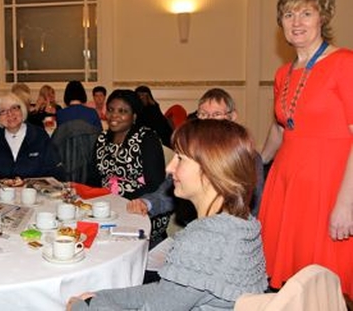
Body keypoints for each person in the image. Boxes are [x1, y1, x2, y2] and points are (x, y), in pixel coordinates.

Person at [67, 119, 268, 311]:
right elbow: (168, 293)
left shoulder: (202, 243)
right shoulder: (243, 225)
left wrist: (82, 307)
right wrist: (102, 297)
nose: (169, 168)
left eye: (180, 159)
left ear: (211, 170)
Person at [259, 0, 353, 300]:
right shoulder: (282, 73)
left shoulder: (345, 64)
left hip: (329, 188)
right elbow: (281, 128)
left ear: (322, 18)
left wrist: (346, 203)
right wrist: (255, 164)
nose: (296, 22)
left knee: (327, 288)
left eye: (306, 13)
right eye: (288, 14)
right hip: (287, 185)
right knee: (292, 286)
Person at [131, 88, 265, 229]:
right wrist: (146, 203)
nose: (209, 121)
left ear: (232, 117)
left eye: (216, 114)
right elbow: (166, 193)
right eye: (203, 115)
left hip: (228, 232)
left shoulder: (247, 157)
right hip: (190, 226)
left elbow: (252, 207)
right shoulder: (190, 153)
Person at [88, 89, 166, 247]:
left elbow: (155, 184)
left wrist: (120, 203)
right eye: (110, 110)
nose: (114, 116)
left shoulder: (147, 138)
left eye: (122, 111)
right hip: (107, 208)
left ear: (134, 116)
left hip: (140, 208)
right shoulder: (102, 139)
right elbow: (93, 178)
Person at [0, 92, 65, 180]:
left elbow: (55, 173)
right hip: (0, 193)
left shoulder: (39, 136)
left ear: (22, 110)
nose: (10, 114)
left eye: (14, 108)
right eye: (3, 111)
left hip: (34, 193)